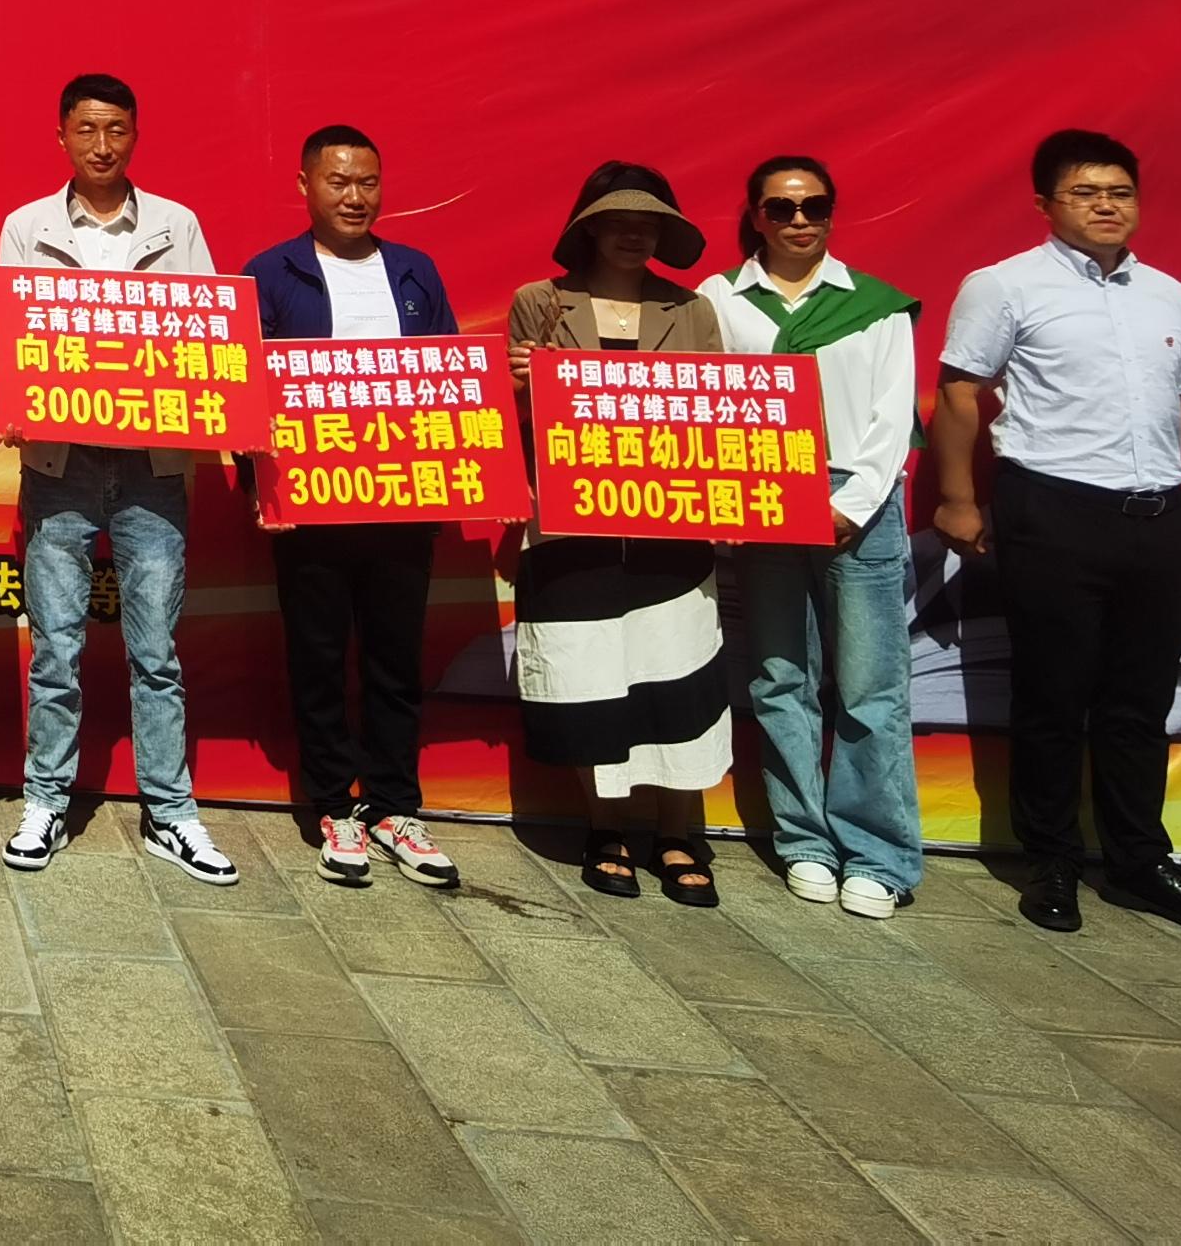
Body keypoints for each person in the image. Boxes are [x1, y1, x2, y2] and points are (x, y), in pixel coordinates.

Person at [933, 129, 1181, 941]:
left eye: (1120, 192)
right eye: (1086, 192)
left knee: (1140, 702)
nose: (1106, 205)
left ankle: (1140, 862)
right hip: (1054, 510)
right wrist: (959, 500)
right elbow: (960, 392)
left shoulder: (1169, 294)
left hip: (1157, 518)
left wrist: (1169, 483)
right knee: (1053, 695)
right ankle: (1051, 860)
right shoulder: (1005, 285)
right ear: (1045, 204)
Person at [0, 72, 238, 886]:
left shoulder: (176, 225)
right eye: (87, 130)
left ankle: (170, 811)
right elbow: (17, 335)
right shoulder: (26, 226)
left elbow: (208, 336)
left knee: (156, 651)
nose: (102, 146)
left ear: (136, 135)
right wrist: (13, 401)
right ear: (61, 136)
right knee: (56, 647)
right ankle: (45, 800)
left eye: (117, 130)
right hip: (59, 464)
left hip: (152, 467)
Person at [699, 157, 925, 920]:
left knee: (870, 684)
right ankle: (804, 840)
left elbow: (893, 418)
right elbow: (695, 397)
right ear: (755, 216)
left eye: (814, 206)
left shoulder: (877, 306)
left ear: (831, 212)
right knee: (778, 675)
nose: (799, 220)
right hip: (764, 497)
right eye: (781, 208)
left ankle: (879, 853)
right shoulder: (719, 300)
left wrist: (850, 506)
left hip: (860, 499)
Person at [506, 163, 734, 908]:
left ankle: (677, 831)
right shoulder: (539, 303)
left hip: (672, 523)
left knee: (679, 672)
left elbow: (717, 414)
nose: (634, 234)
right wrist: (519, 384)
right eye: (618, 220)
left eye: (649, 223)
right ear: (589, 228)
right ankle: (603, 828)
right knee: (587, 677)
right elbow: (514, 423)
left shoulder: (692, 309)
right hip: (570, 523)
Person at [243, 124, 463, 891]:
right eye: (338, 181)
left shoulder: (414, 271)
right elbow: (246, 392)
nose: (354, 196)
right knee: (319, 660)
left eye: (367, 182)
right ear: (305, 186)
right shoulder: (272, 273)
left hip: (402, 504)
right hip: (308, 507)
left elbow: (450, 379)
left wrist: (472, 479)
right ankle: (336, 805)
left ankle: (397, 807)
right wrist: (259, 487)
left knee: (396, 662)